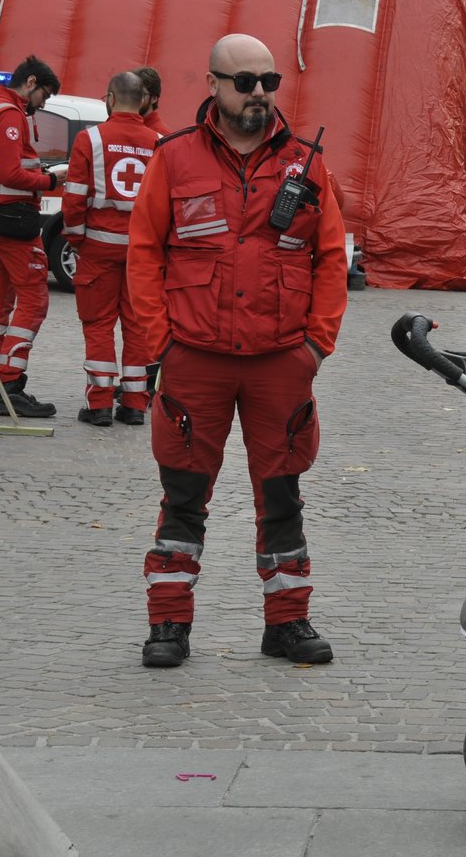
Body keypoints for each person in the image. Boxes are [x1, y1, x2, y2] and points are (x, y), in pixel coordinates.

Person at [126, 34, 348, 668]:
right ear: (213, 84)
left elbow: (333, 256)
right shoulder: (173, 160)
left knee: (282, 493)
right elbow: (144, 254)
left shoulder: (307, 164)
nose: (258, 93)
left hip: (281, 359)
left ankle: (287, 621)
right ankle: (168, 622)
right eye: (244, 81)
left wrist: (314, 345)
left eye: (268, 82)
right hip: (195, 357)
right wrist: (158, 343)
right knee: (183, 492)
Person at [0, 55, 63, 418]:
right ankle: (9, 385)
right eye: (45, 96)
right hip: (11, 216)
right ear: (31, 82)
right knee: (34, 300)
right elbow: (11, 173)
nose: (43, 104)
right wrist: (51, 181)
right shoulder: (9, 114)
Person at [61, 71, 159, 427]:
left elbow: (73, 200)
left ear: (110, 98)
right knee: (138, 326)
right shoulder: (159, 142)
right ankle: (134, 403)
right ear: (143, 100)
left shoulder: (91, 139)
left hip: (99, 247)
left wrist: (76, 240)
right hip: (141, 253)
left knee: (98, 324)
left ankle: (99, 404)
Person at [133, 66, 171, 137]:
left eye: (139, 94)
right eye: (131, 92)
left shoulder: (163, 135)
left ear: (154, 99)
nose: (133, 98)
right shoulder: (125, 126)